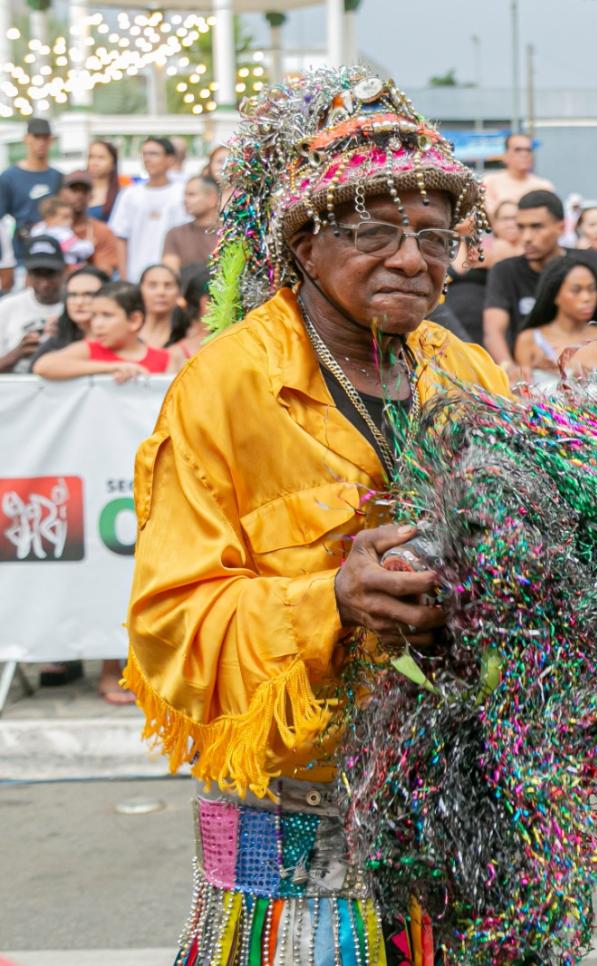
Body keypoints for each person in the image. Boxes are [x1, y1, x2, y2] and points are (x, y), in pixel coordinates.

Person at [124, 68, 510, 965]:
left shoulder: (469, 374)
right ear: (303, 243)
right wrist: (332, 599)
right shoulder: (223, 387)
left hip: (459, 814)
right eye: (374, 231)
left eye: (434, 235)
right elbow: (167, 625)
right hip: (291, 837)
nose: (413, 259)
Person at [484, 189, 597, 376]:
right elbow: (493, 330)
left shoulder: (588, 261)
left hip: (593, 373)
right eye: (521, 227)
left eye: (536, 227)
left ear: (561, 227)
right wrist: (509, 368)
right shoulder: (505, 271)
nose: (526, 237)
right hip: (533, 374)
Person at [33, 280, 174, 383]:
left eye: (107, 315)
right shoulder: (88, 349)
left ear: (134, 320)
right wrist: (110, 368)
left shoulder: (165, 358)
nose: (97, 324)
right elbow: (43, 366)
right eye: (94, 315)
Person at [513, 254, 597, 382]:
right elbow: (521, 391)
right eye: (576, 290)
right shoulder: (529, 339)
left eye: (592, 289)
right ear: (555, 295)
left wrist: (582, 376)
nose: (587, 298)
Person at [109, 136, 188, 282]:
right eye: (144, 154)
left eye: (154, 154)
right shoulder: (129, 194)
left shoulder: (183, 193)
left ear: (170, 159)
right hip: (135, 276)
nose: (147, 159)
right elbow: (120, 238)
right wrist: (124, 277)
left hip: (174, 277)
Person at [0, 235, 66, 373]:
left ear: (63, 272)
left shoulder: (76, 305)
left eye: (50, 274)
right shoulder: (7, 307)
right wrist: (17, 353)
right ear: (28, 274)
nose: (45, 283)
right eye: (37, 274)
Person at [0, 118, 63, 257]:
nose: (41, 143)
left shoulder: (57, 177)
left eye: (45, 137)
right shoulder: (9, 177)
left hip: (53, 251)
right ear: (26, 138)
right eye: (36, 137)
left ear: (51, 140)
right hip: (21, 251)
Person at [30, 265, 108, 364]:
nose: (79, 302)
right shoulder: (53, 345)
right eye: (73, 295)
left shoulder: (121, 341)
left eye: (89, 294)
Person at [58, 171, 122, 277]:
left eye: (84, 191)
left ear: (91, 196)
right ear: (61, 193)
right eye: (74, 190)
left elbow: (104, 273)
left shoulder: (102, 232)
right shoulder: (47, 229)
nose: (79, 195)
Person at [481, 132, 555, 217]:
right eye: (518, 150)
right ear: (505, 155)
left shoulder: (544, 186)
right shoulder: (490, 182)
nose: (524, 154)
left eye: (528, 150)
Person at [161, 175, 220, 275]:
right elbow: (171, 274)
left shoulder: (229, 234)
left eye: (191, 195)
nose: (185, 200)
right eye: (185, 195)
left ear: (212, 199)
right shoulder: (176, 234)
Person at [136, 263, 188, 349]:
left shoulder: (186, 336)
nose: (161, 292)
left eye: (168, 285)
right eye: (152, 285)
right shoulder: (127, 333)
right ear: (140, 290)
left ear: (179, 293)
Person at [85, 139, 130, 223]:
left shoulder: (122, 193)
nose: (94, 162)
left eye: (101, 158)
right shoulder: (78, 190)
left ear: (113, 163)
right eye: (91, 157)